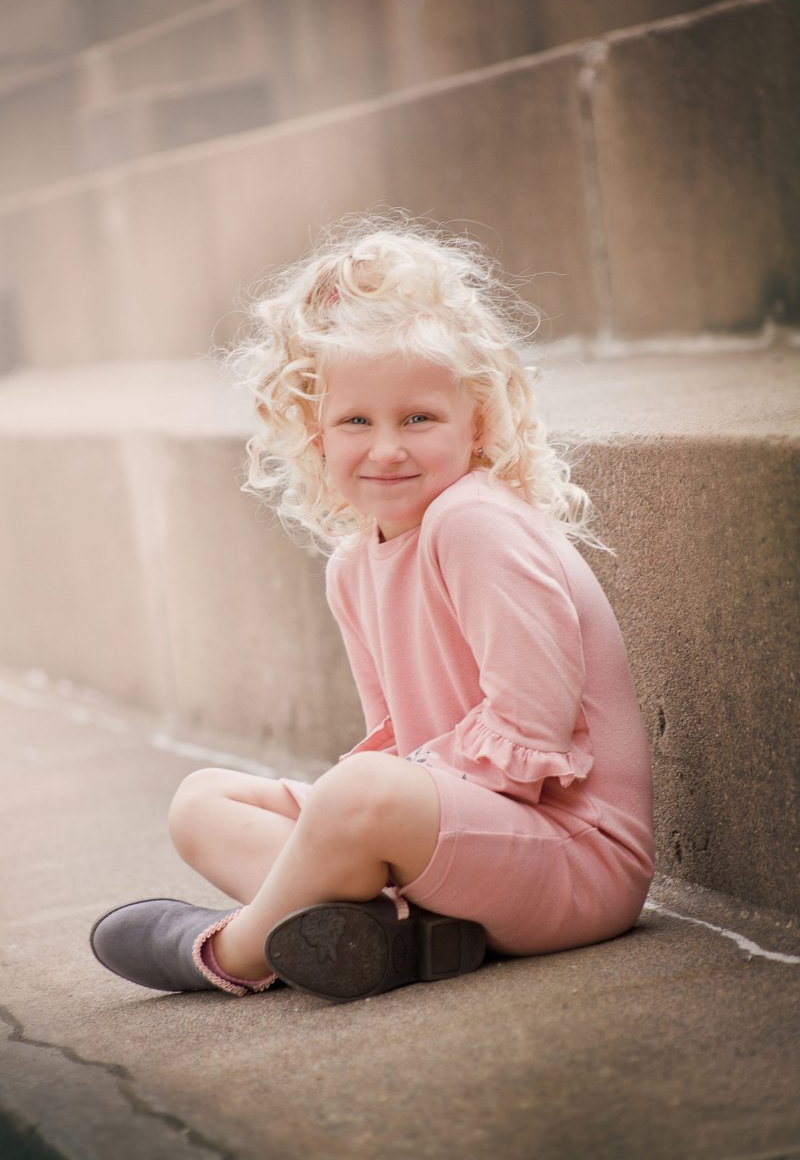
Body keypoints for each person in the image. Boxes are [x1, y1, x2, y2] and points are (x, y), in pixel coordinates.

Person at [91, 215, 654, 1003]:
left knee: (359, 794)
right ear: (316, 435)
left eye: (418, 418)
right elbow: (400, 744)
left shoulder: (474, 522)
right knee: (203, 802)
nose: (386, 448)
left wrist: (363, 808)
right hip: (465, 845)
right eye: (356, 421)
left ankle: (235, 948)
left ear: (476, 423)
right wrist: (363, 810)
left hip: (573, 861)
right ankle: (402, 939)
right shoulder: (354, 567)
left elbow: (529, 734)